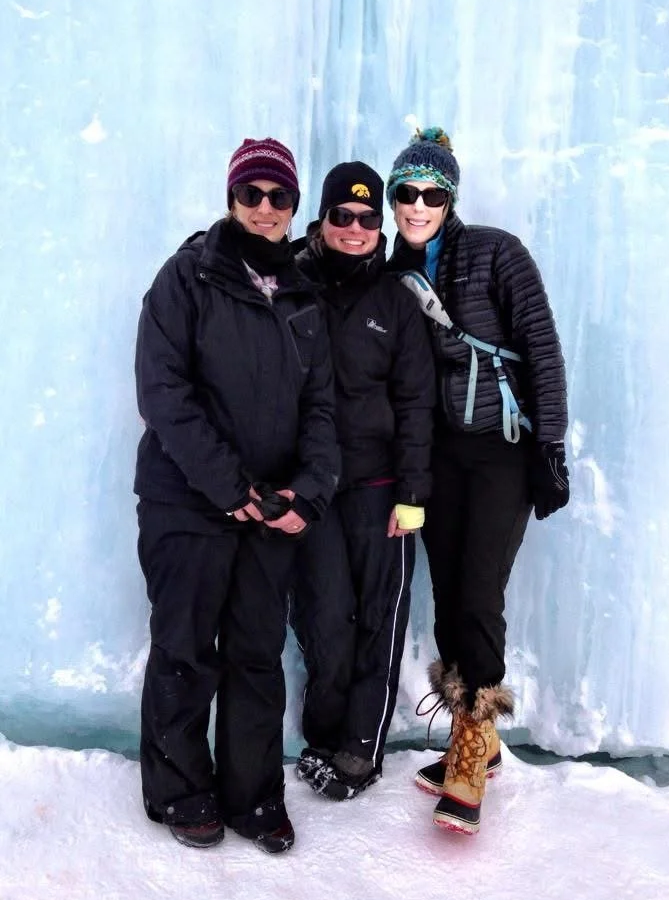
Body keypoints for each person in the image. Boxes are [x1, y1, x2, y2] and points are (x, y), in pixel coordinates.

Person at [134, 137, 339, 854]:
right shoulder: (187, 276)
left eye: (279, 197)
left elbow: (321, 410)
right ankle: (180, 791)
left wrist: (306, 494)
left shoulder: (303, 296)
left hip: (269, 511)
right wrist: (229, 486)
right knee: (186, 647)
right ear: (231, 199)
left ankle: (253, 797)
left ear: (293, 207)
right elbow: (163, 392)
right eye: (251, 194)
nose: (264, 208)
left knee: (256, 653)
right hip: (187, 501)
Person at [385, 127, 570, 835]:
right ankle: (478, 738)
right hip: (440, 455)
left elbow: (542, 349)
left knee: (479, 592)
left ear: (451, 200)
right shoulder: (390, 271)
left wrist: (550, 446)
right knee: (447, 597)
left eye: (432, 195)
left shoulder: (497, 254)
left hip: (501, 450)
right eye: (407, 192)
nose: (418, 205)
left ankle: (469, 751)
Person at [290, 161, 435, 800]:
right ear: (322, 220)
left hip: (381, 486)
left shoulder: (396, 302)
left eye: (368, 217)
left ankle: (360, 751)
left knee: (380, 619)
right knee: (325, 617)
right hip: (313, 487)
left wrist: (413, 494)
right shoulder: (293, 287)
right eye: (341, 216)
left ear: (381, 226)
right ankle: (322, 737)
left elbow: (417, 402)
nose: (355, 228)